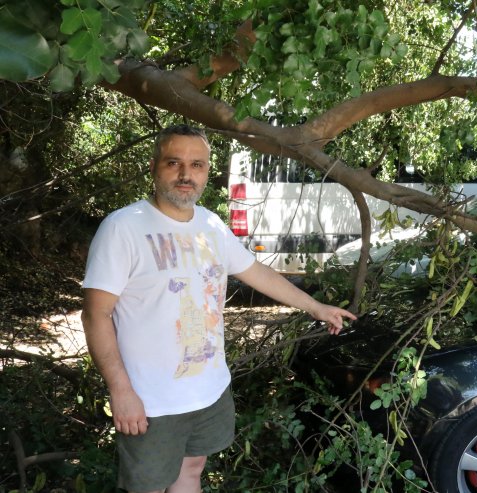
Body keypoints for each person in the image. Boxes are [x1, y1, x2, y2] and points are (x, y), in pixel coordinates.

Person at [80, 124, 357, 493]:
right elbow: (95, 314)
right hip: (151, 398)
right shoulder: (122, 228)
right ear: (154, 166)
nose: (185, 174)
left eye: (197, 165)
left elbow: (255, 271)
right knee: (146, 486)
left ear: (207, 171)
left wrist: (315, 307)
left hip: (210, 389)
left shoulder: (210, 225)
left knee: (192, 469)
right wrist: (120, 390)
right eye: (173, 162)